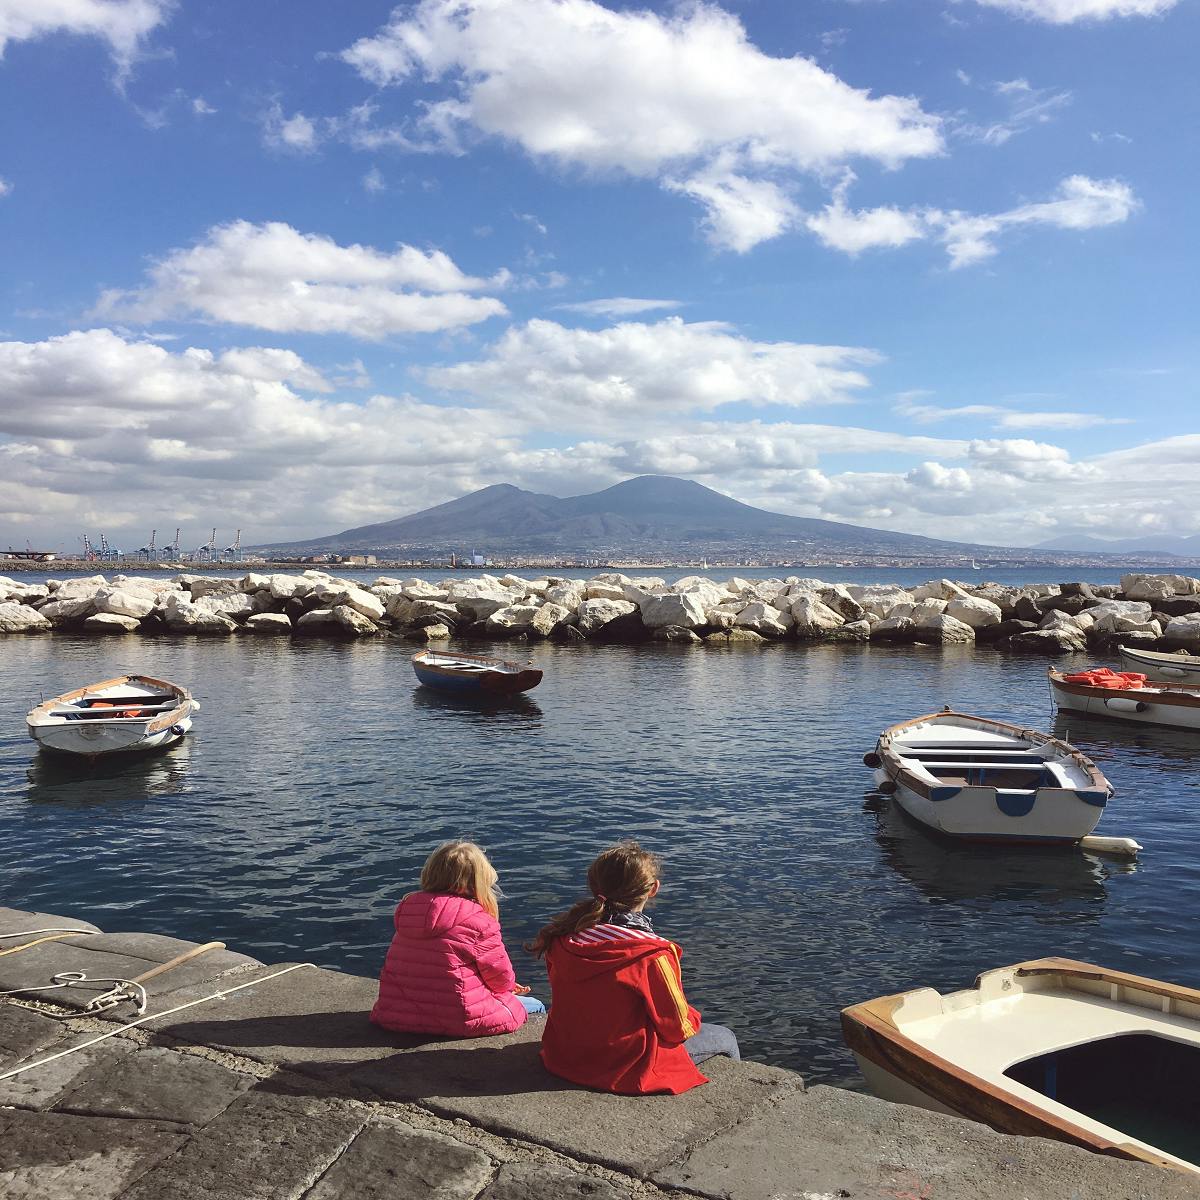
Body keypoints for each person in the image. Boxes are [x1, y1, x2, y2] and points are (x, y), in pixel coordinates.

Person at [526, 840, 739, 1095]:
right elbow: (677, 1027)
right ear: (653, 889)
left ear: (595, 887)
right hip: (624, 1066)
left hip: (565, 1057)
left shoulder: (563, 939)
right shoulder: (652, 954)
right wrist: (693, 1015)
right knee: (725, 1036)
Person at [371, 840, 544, 1038]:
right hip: (460, 1018)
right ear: (478, 881)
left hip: (396, 1015)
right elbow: (500, 979)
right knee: (536, 1005)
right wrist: (509, 988)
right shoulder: (479, 921)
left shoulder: (408, 911)